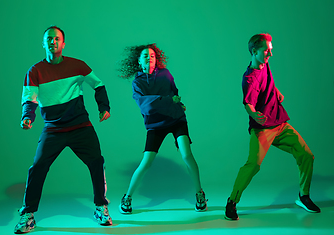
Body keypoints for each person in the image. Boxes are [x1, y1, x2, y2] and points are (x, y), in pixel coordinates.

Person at [14, 26, 112, 234]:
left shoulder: (77, 65)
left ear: (63, 43)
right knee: (38, 167)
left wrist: (103, 107)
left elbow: (98, 84)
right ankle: (28, 215)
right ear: (44, 43)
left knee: (96, 162)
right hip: (53, 129)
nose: (53, 42)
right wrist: (27, 117)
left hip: (80, 126)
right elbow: (29, 99)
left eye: (57, 39)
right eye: (49, 39)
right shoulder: (35, 71)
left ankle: (101, 207)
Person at [225, 33, 320, 220]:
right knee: (253, 165)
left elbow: (266, 81)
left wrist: (276, 91)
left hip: (280, 123)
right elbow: (248, 104)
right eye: (267, 51)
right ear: (254, 52)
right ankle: (232, 202)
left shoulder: (265, 63)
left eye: (271, 50)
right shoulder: (249, 79)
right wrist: (253, 114)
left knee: (306, 155)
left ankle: (303, 196)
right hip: (262, 129)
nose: (270, 54)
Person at [117, 43, 207, 214]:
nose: (149, 59)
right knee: (146, 162)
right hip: (155, 125)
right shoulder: (137, 83)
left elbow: (174, 91)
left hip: (176, 119)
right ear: (139, 61)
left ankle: (199, 194)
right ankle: (127, 197)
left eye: (152, 56)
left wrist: (177, 101)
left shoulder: (165, 74)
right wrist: (168, 100)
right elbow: (146, 107)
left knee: (187, 154)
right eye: (145, 56)